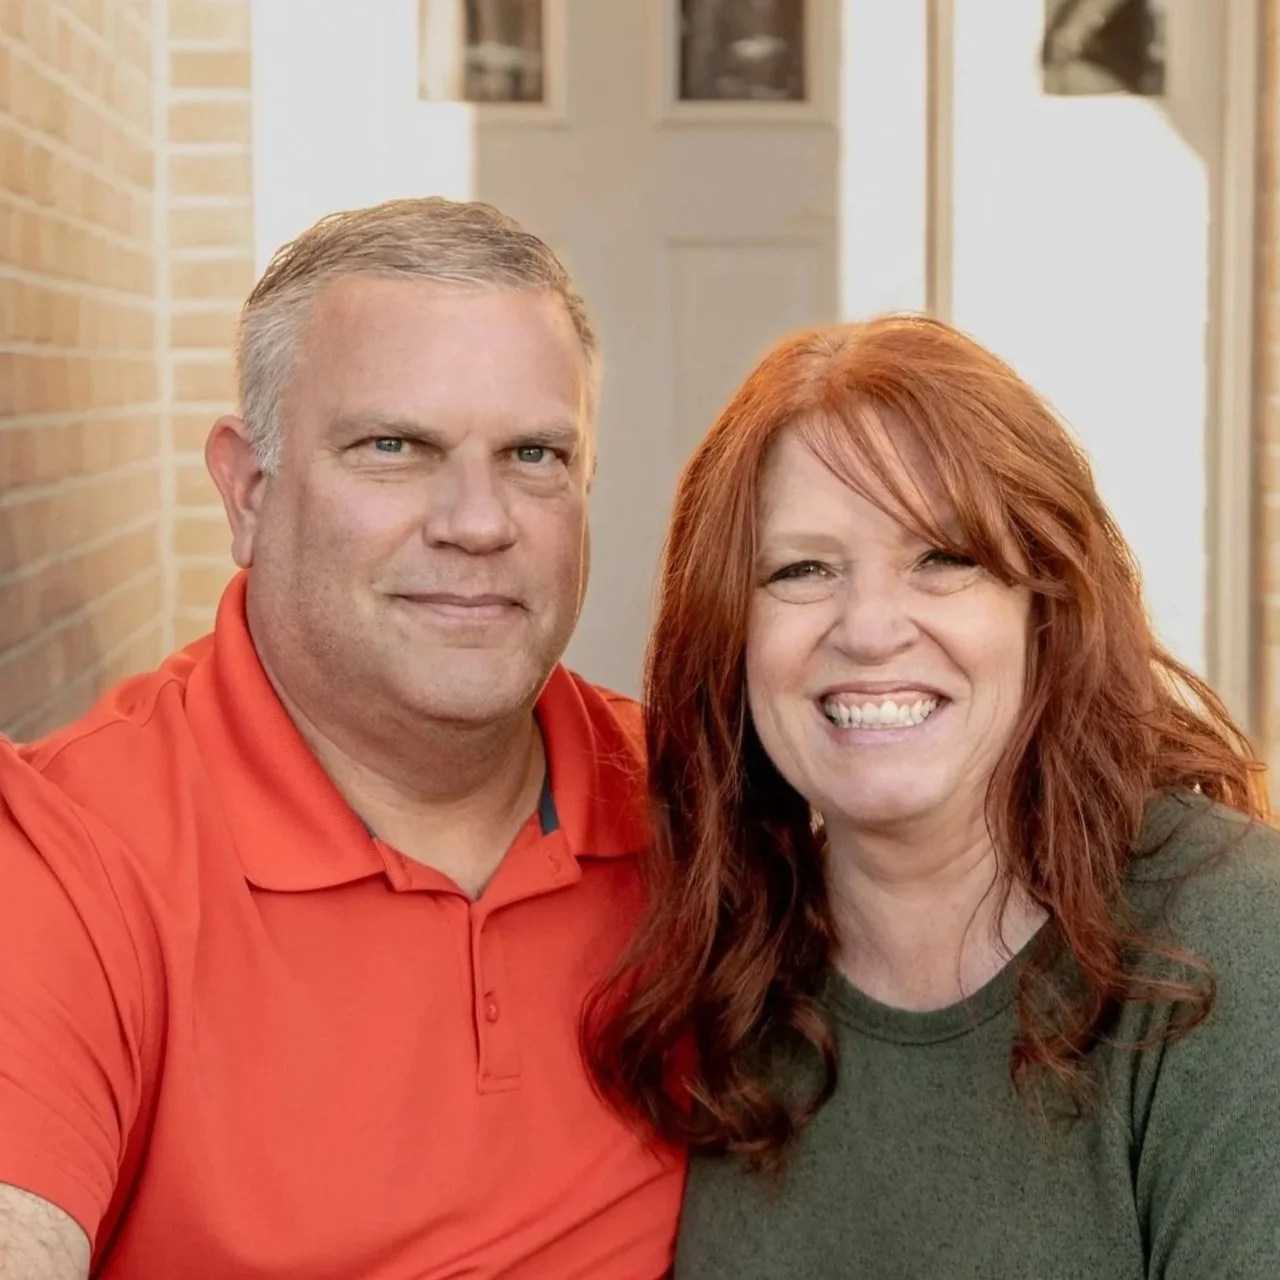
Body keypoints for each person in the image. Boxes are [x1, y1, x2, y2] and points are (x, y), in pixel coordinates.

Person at [0, 197, 684, 1279]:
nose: (477, 518)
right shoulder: (71, 854)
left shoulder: (697, 811)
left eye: (534, 454)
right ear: (247, 488)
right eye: (393, 446)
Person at [587, 314, 1280, 1278]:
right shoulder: (718, 969)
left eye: (943, 559)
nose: (869, 628)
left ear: (1048, 607)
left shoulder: (1228, 934)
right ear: (730, 638)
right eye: (803, 569)